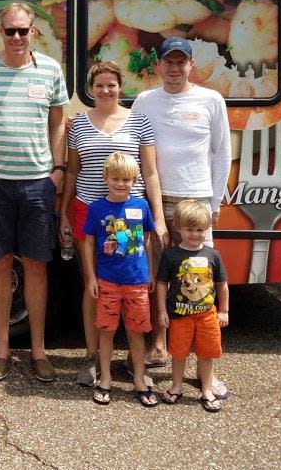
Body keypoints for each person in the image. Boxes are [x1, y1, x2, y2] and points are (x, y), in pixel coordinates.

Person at [0, 2, 68, 383]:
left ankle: (38, 351)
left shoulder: (51, 70)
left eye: (23, 31)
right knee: (0, 266)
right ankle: (2, 350)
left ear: (33, 31)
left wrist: (57, 170)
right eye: (10, 31)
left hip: (38, 184)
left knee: (36, 267)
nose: (17, 38)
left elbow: (58, 124)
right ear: (0, 32)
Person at [130, 35, 232, 399]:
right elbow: (136, 151)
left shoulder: (210, 100)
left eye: (181, 62)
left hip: (198, 199)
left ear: (191, 65)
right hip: (158, 198)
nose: (174, 69)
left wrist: (216, 203)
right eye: (168, 62)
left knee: (199, 280)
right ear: (159, 66)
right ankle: (160, 345)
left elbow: (221, 154)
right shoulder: (145, 101)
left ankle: (206, 365)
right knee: (160, 273)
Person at [59, 60, 167, 387]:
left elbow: (149, 173)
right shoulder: (78, 125)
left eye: (112, 84)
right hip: (88, 213)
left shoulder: (139, 122)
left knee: (133, 287)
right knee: (93, 287)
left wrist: (158, 218)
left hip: (128, 218)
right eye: (99, 85)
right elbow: (73, 172)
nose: (106, 90)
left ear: (121, 87)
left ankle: (134, 361)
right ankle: (93, 357)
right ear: (90, 89)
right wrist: (63, 213)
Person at [80, 152, 157, 406]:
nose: (121, 184)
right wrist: (91, 277)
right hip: (107, 282)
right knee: (106, 331)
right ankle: (105, 379)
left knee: (136, 331)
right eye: (115, 178)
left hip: (136, 282)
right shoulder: (97, 208)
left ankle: (138, 379)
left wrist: (150, 273)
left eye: (126, 179)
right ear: (106, 178)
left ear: (134, 180)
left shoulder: (142, 206)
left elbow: (146, 241)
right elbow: (89, 243)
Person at [156, 200, 230, 412]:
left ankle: (206, 389)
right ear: (178, 228)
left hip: (207, 315)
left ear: (207, 229)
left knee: (206, 353)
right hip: (179, 316)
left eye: (200, 230)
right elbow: (162, 283)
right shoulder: (171, 255)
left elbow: (222, 284)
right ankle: (176, 386)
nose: (195, 234)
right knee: (178, 353)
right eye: (190, 229)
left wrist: (224, 310)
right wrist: (161, 310)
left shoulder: (212, 255)